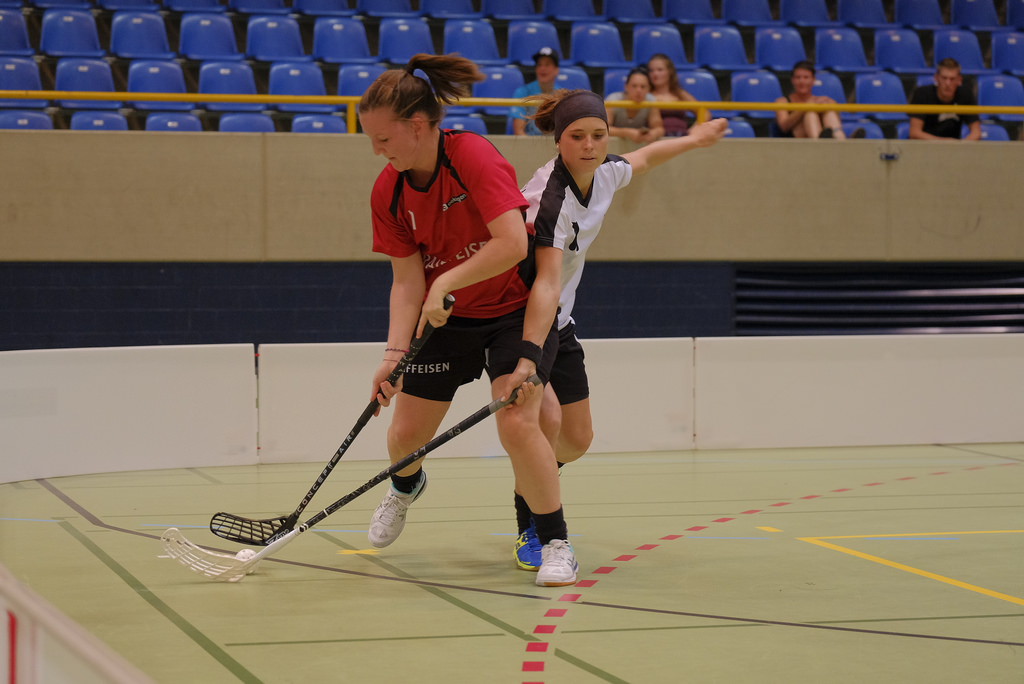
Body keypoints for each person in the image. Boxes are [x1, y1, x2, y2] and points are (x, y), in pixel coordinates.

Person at [358, 53, 577, 587]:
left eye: (383, 139)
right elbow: (406, 282)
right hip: (448, 322)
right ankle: (405, 487)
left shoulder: (472, 156)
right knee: (403, 438)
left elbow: (512, 243)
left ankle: (555, 542)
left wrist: (446, 282)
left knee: (518, 422)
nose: (377, 150)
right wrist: (392, 355)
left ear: (417, 126)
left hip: (512, 311)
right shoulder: (389, 190)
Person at [510, 89, 728, 571]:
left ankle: (534, 474)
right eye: (577, 136)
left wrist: (695, 139)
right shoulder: (549, 199)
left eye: (598, 135)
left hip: (561, 318)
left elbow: (646, 157)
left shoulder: (605, 173)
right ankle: (534, 526)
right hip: (522, 318)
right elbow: (544, 282)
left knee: (576, 439)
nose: (589, 145)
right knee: (544, 424)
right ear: (558, 141)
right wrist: (528, 352)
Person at [775, 60, 859, 139]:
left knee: (829, 111)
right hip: (796, 140)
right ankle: (822, 143)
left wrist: (829, 104)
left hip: (822, 137)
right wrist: (806, 107)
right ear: (792, 80)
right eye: (798, 77)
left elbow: (837, 120)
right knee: (810, 113)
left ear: (813, 80)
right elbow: (784, 126)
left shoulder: (820, 100)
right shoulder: (782, 101)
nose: (802, 81)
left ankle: (842, 141)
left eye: (806, 77)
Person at [908, 58, 981, 141]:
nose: (947, 83)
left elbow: (976, 133)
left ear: (959, 80)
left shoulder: (966, 94)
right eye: (944, 78)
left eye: (952, 79)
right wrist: (944, 143)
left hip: (954, 147)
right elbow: (914, 133)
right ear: (936, 78)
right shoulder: (922, 93)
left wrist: (961, 145)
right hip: (925, 146)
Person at [605, 67, 665, 144]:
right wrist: (627, 133)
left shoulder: (651, 101)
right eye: (634, 86)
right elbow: (604, 129)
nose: (638, 90)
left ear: (649, 89)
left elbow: (659, 129)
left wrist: (654, 133)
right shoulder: (613, 100)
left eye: (643, 87)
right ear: (626, 87)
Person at [509, 46, 560, 136]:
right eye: (539, 65)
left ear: (556, 70)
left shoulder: (561, 95)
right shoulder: (521, 93)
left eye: (547, 64)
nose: (542, 68)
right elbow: (518, 132)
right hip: (528, 142)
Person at [647, 53, 696, 137]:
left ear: (669, 72)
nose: (655, 74)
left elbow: (704, 114)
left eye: (660, 70)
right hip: (657, 140)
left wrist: (693, 131)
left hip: (681, 139)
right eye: (651, 70)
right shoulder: (646, 95)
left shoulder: (680, 94)